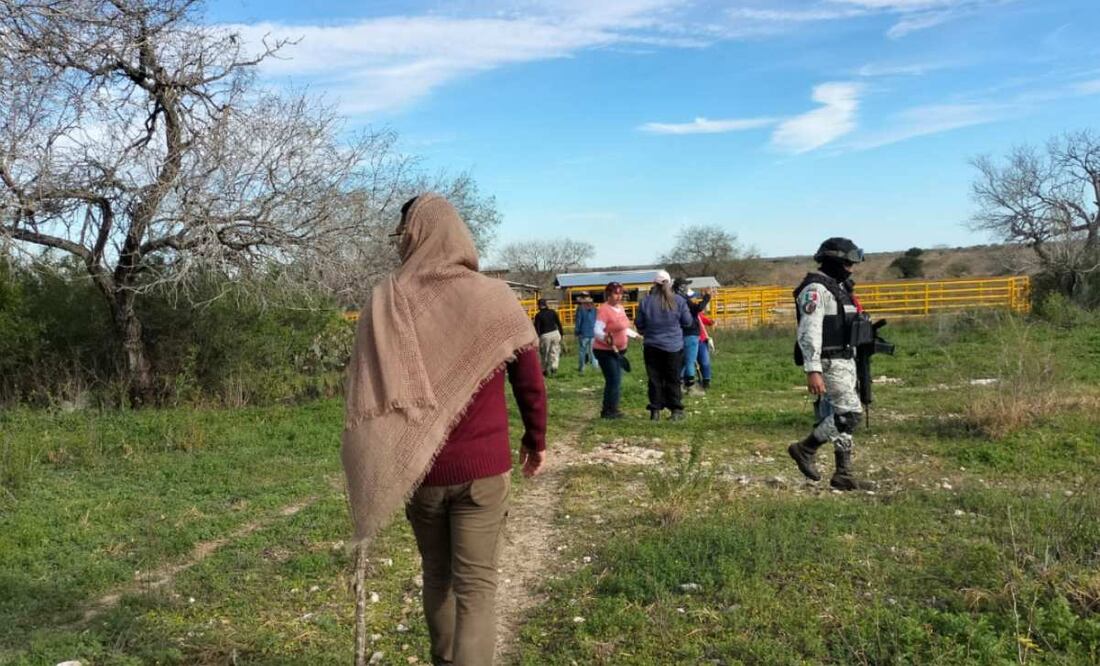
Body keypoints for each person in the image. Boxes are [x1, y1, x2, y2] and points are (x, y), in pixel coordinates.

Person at [341, 193, 548, 666]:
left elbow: (366, 387)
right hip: (483, 470)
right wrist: (535, 442)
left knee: (437, 576)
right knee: (477, 587)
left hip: (421, 468)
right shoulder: (493, 296)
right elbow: (530, 382)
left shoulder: (386, 301)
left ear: (412, 237)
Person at [787, 237, 874, 491]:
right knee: (850, 415)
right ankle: (805, 448)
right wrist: (812, 369)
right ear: (833, 260)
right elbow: (809, 331)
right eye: (847, 262)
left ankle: (843, 473)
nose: (851, 268)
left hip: (845, 359)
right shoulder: (815, 290)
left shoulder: (839, 288)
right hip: (828, 361)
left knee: (843, 416)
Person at [635, 270, 693, 421]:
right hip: (673, 346)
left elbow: (639, 324)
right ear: (670, 283)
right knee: (673, 378)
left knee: (654, 379)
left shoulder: (645, 302)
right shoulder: (679, 301)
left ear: (654, 283)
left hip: (652, 346)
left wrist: (647, 330)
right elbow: (687, 322)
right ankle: (676, 410)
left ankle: (655, 411)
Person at [592, 281, 634, 419]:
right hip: (605, 351)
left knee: (616, 379)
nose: (619, 296)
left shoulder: (621, 309)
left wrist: (634, 335)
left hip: (619, 350)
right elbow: (597, 330)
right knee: (614, 379)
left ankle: (611, 408)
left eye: (620, 294)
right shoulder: (604, 310)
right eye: (616, 294)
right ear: (608, 295)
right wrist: (605, 337)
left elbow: (623, 327)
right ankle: (609, 411)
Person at [672, 280, 712, 396]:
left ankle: (679, 385)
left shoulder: (673, 300)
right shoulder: (683, 300)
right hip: (690, 333)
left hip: (679, 333)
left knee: (683, 361)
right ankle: (691, 387)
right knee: (690, 361)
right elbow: (698, 309)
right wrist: (707, 297)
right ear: (681, 287)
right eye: (685, 286)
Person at [533, 298, 564, 377]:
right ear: (546, 304)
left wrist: (537, 338)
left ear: (539, 305)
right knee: (555, 351)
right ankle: (554, 367)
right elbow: (558, 323)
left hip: (545, 335)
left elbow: (537, 328)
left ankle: (544, 370)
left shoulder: (538, 315)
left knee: (544, 353)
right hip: (555, 333)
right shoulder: (553, 312)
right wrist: (561, 334)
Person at [574, 292, 597, 373]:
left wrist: (576, 331)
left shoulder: (580, 308)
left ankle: (582, 368)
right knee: (593, 351)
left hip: (583, 332)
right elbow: (596, 319)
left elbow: (578, 321)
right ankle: (595, 367)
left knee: (582, 351)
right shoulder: (594, 307)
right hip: (593, 332)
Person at [696, 307, 715, 391]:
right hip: (687, 341)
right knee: (687, 364)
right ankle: (685, 382)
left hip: (701, 341)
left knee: (704, 362)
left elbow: (706, 320)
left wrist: (712, 322)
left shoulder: (697, 314)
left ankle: (706, 381)